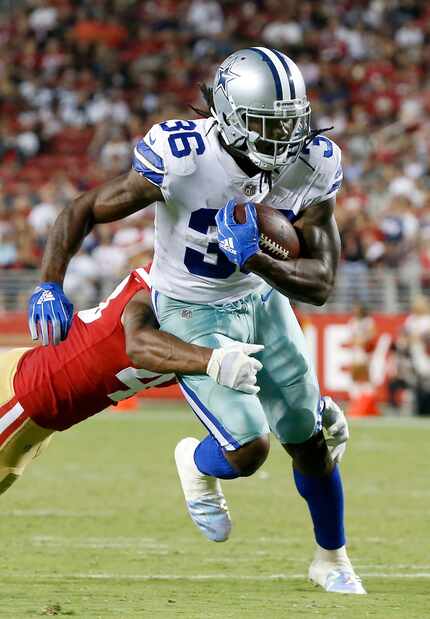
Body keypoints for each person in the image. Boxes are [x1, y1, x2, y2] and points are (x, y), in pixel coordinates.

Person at [28, 47, 360, 594]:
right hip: (190, 306)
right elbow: (84, 208)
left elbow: (321, 284)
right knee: (249, 449)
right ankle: (197, 461)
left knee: (307, 439)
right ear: (230, 114)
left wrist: (255, 258)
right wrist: (48, 282)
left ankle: (332, 558)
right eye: (263, 123)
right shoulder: (184, 156)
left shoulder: (314, 160)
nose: (282, 139)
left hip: (261, 299)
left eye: (289, 122)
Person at [3, 267, 263, 495]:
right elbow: (138, 343)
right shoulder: (157, 294)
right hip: (19, 398)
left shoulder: (211, 316)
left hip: (38, 414)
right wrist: (214, 361)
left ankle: (196, 465)